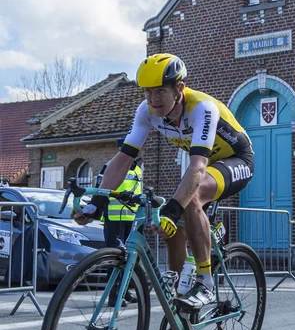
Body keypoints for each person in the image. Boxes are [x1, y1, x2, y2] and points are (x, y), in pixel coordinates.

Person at [74, 53, 254, 312]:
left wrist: (173, 208)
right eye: (147, 93)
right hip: (204, 167)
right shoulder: (146, 112)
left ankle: (205, 282)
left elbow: (198, 167)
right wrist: (99, 200)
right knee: (171, 228)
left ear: (179, 89)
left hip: (237, 161)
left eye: (160, 92)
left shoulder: (202, 108)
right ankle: (179, 305)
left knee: (189, 200)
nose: (153, 100)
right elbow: (123, 158)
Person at [96, 138, 143, 306]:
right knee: (115, 258)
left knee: (129, 258)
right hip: (114, 219)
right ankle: (113, 295)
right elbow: (100, 188)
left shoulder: (137, 169)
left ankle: (124, 291)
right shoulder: (111, 166)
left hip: (131, 219)